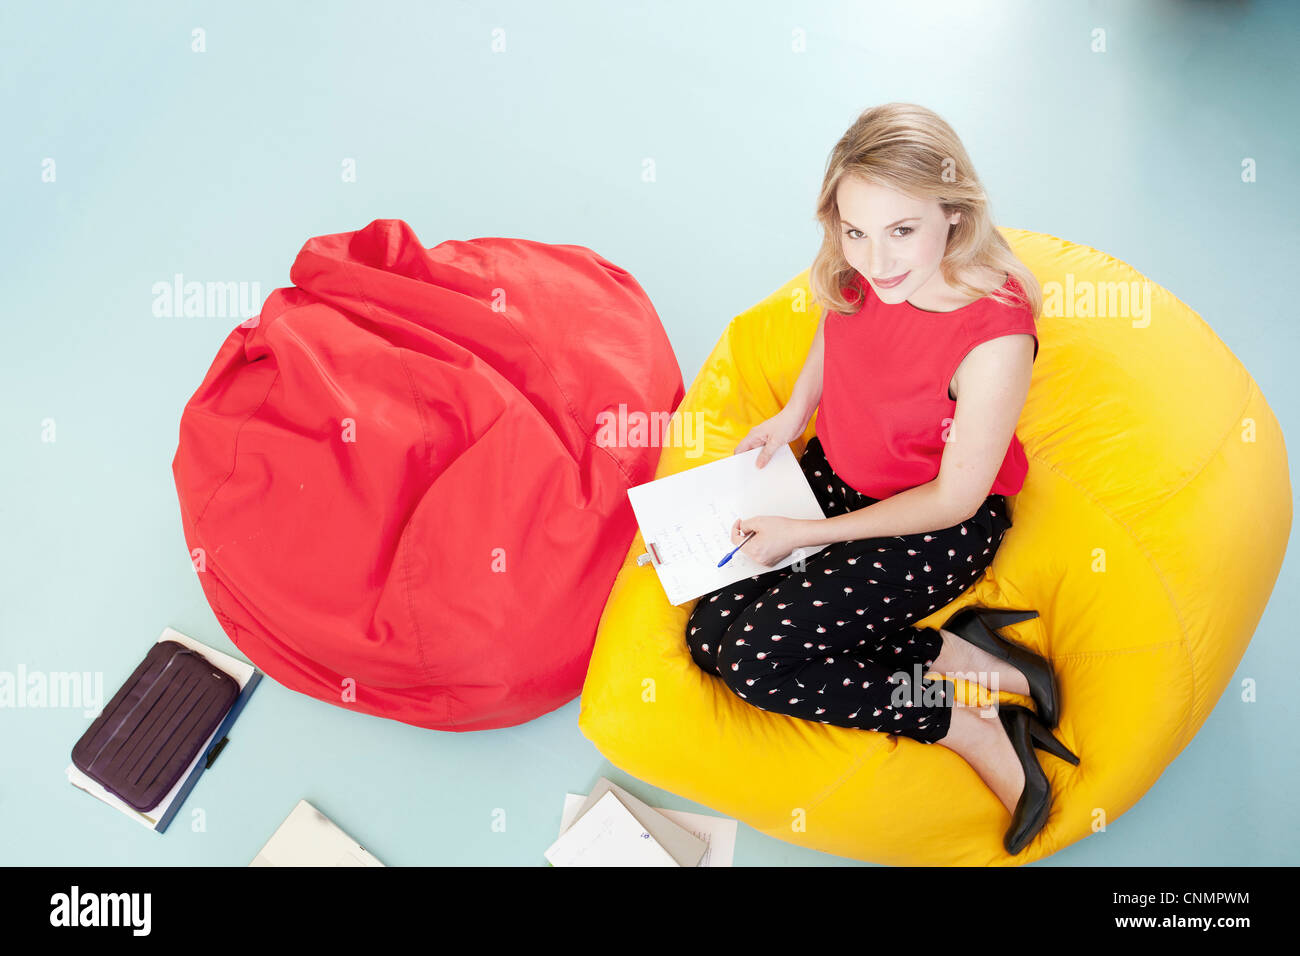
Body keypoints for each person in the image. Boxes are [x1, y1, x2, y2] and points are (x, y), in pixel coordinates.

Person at [684, 102, 1078, 856]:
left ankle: (963, 719)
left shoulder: (995, 334)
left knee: (757, 663)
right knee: (709, 636)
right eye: (855, 230)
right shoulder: (859, 264)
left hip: (932, 523)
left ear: (956, 217)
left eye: (902, 230)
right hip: (837, 476)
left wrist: (810, 536)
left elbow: (954, 497)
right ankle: (958, 653)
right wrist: (793, 412)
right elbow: (838, 327)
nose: (876, 259)